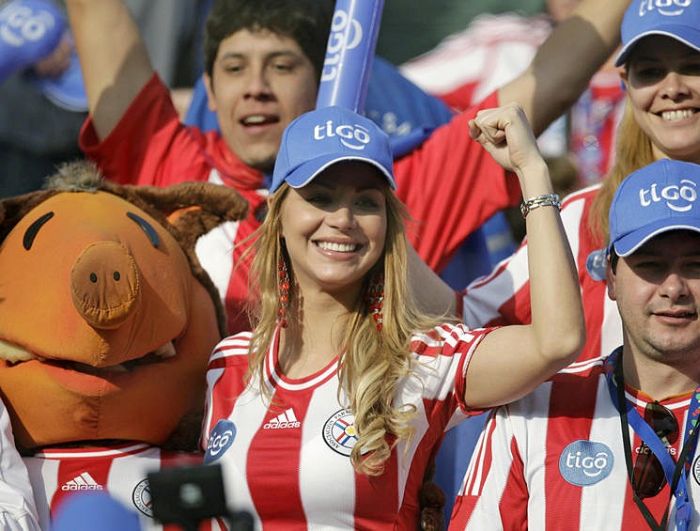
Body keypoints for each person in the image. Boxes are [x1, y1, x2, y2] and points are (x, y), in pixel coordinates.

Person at [64, 0, 626, 334]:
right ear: (208, 87)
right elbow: (96, 15)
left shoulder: (396, 187)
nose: (256, 89)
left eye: (281, 66)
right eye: (235, 68)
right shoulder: (169, 165)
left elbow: (552, 78)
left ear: (322, 81)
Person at [201, 99, 585, 528]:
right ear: (279, 213)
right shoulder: (228, 364)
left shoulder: (423, 359)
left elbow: (557, 341)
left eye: (366, 202)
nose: (343, 219)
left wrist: (532, 174)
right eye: (320, 197)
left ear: (388, 224)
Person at [450, 158, 700, 530]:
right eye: (650, 265)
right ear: (611, 278)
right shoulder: (534, 407)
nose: (673, 288)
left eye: (696, 265)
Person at [457, 0, 700, 364]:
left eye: (694, 67)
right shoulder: (580, 217)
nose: (673, 88)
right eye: (650, 72)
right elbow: (465, 323)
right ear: (626, 83)